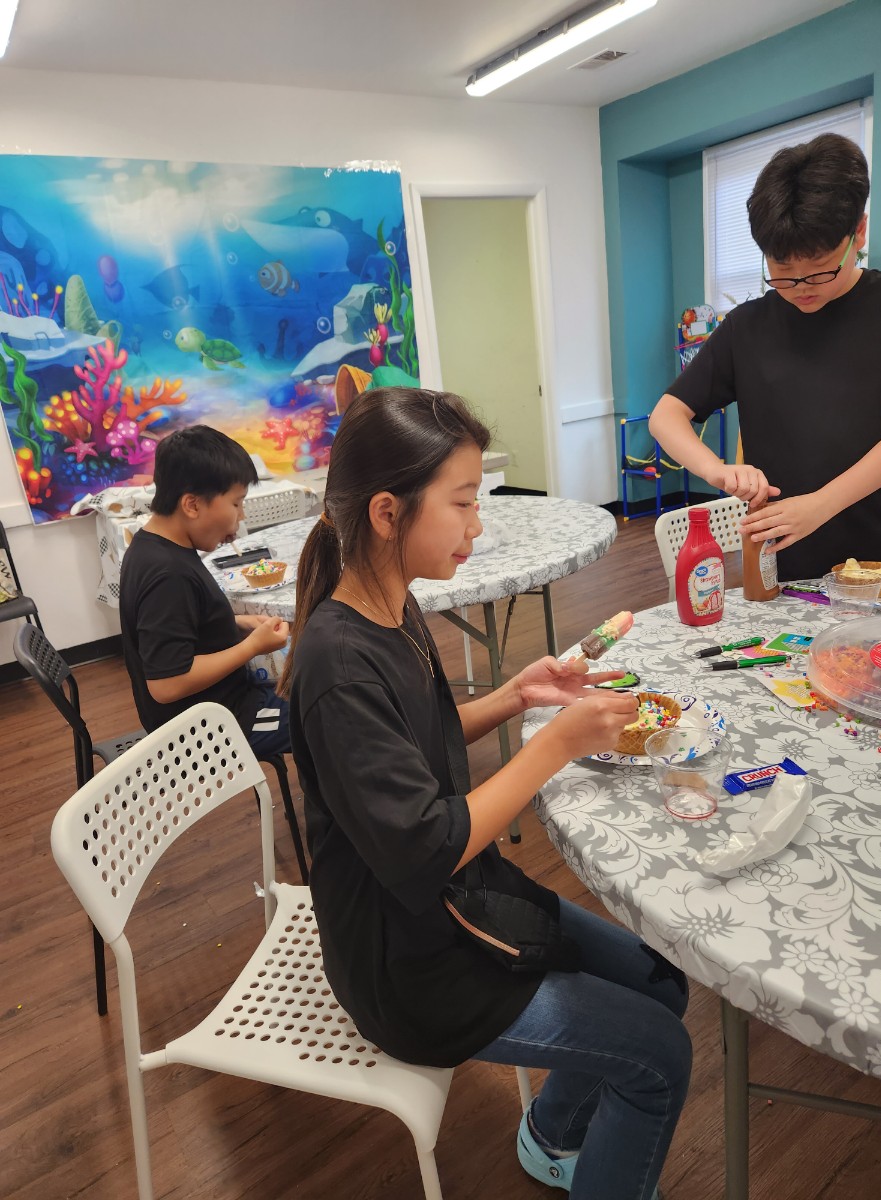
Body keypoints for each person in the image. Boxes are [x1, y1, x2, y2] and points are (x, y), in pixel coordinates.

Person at [282, 387, 691, 1200]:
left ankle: (551, 1134)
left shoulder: (392, 608)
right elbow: (427, 847)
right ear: (388, 513)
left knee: (661, 983)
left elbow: (420, 743)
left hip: (461, 900)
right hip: (409, 966)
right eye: (464, 503)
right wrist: (558, 742)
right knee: (660, 1056)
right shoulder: (338, 665)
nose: (478, 526)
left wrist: (514, 697)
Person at [649, 133, 881, 580]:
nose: (801, 287)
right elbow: (666, 416)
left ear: (858, 232)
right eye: (782, 270)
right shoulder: (747, 326)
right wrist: (718, 471)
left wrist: (818, 506)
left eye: (819, 268)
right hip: (783, 570)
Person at [120, 425, 292, 756]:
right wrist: (252, 647)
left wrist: (235, 624)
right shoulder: (167, 574)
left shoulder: (152, 546)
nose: (241, 516)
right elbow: (167, 684)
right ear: (192, 505)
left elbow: (180, 624)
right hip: (210, 728)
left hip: (217, 707)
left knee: (315, 694)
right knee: (326, 717)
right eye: (236, 503)